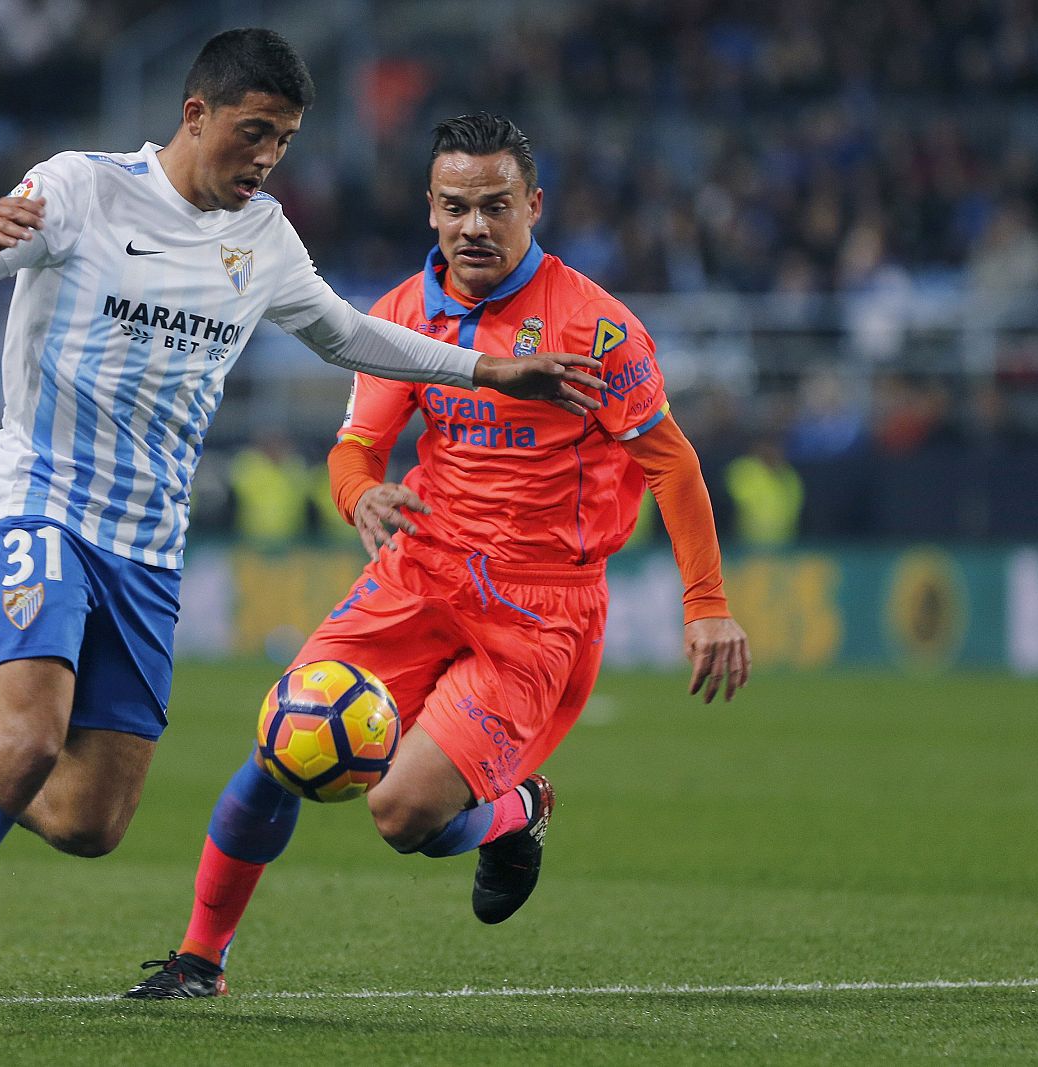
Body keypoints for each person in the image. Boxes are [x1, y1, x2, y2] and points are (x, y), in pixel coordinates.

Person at [0, 31, 603, 1041]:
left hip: (148, 545)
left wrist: (490, 372)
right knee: (25, 744)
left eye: (281, 140)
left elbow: (343, 330)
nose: (266, 157)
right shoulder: (81, 190)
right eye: (252, 133)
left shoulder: (264, 236)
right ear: (194, 115)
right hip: (43, 500)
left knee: (87, 821)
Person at [121, 113, 752, 1000]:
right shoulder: (403, 316)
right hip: (417, 572)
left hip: (537, 609)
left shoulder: (596, 330)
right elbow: (354, 452)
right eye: (456, 206)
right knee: (277, 744)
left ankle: (516, 811)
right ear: (430, 209)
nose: (475, 227)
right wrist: (360, 495)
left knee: (402, 812)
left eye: (496, 206)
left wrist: (707, 602)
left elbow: (672, 463)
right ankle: (199, 957)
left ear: (534, 206)